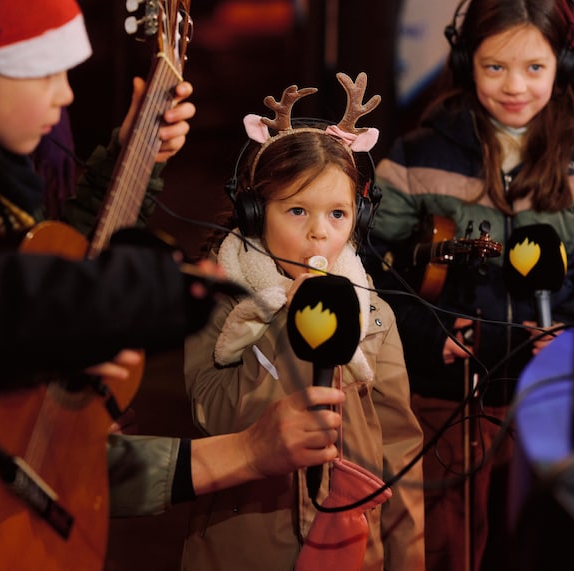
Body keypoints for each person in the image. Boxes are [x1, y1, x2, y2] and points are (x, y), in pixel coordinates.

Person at [0, 130, 348, 569]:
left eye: (339, 215)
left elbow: (51, 260)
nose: (66, 93)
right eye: (46, 70)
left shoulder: (368, 310)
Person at [362, 1, 574, 570]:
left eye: (534, 67)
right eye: (494, 67)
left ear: (566, 63)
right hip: (440, 405)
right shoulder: (416, 157)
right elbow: (366, 272)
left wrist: (571, 337)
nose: (515, 88)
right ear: (464, 60)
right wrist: (429, 336)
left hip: (546, 411)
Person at [181, 73, 426, 571]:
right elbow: (213, 415)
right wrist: (285, 327)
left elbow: (400, 452)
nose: (319, 233)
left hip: (354, 548)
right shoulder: (221, 300)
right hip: (244, 546)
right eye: (296, 210)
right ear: (253, 212)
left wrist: (408, 559)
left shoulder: (374, 315)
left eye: (337, 214)